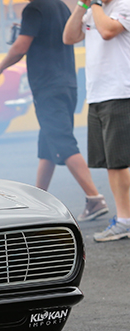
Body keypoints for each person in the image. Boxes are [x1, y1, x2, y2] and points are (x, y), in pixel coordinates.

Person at [0, 0, 109, 222]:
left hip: (48, 87)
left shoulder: (34, 8)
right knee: (48, 144)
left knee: (63, 141)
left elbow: (21, 46)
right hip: (67, 84)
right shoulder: (61, 6)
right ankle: (38, 200)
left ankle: (95, 198)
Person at [64, 0, 130, 241]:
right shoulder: (92, 10)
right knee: (112, 163)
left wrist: (94, 4)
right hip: (97, 95)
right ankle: (125, 219)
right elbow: (69, 37)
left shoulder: (123, 5)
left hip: (120, 93)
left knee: (118, 163)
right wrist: (82, 6)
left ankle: (124, 221)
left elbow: (108, 31)